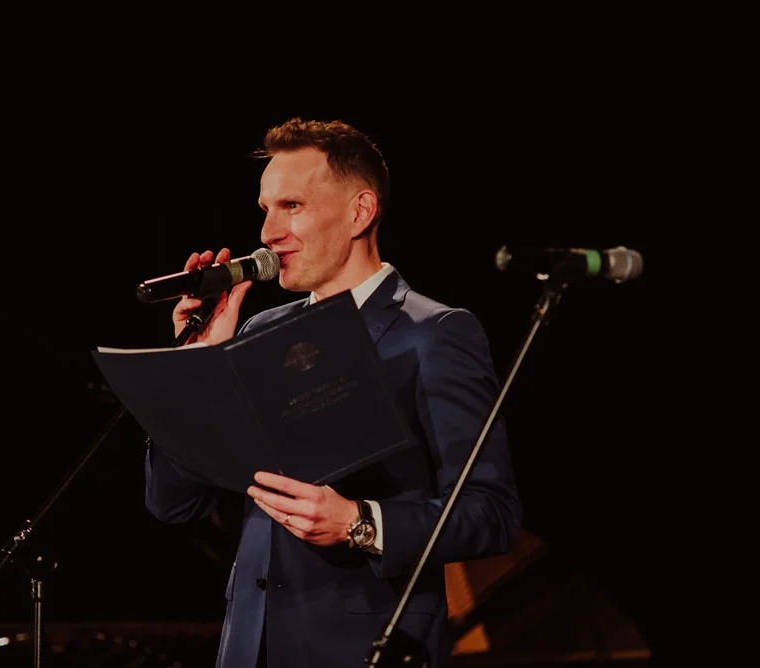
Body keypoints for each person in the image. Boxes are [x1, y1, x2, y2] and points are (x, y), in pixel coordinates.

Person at [144, 117, 522, 667]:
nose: (268, 232)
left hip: (364, 648)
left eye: (292, 206)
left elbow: (492, 513)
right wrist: (197, 366)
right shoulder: (259, 332)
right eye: (266, 209)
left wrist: (358, 524)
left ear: (359, 212)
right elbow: (174, 504)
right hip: (250, 649)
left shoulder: (435, 334)